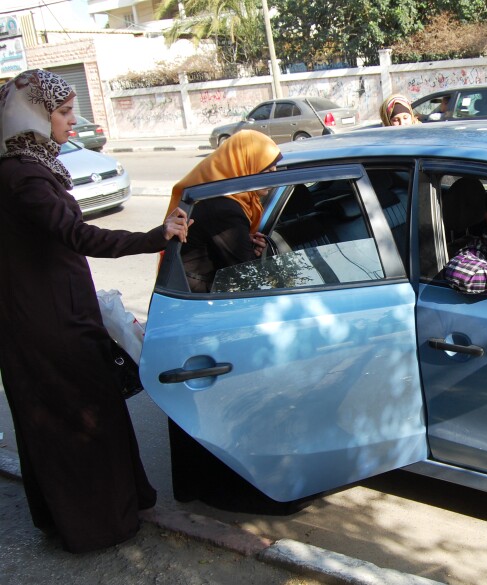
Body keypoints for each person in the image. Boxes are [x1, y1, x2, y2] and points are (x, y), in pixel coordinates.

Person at [0, 69, 191, 553]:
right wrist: (155, 237)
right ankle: (97, 525)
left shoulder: (23, 166)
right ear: (34, 116)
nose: (72, 123)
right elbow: (78, 236)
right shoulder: (23, 174)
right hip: (50, 324)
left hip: (39, 314)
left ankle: (82, 516)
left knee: (65, 418)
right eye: (62, 113)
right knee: (81, 420)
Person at [164, 129, 281, 293]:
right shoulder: (224, 208)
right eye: (268, 170)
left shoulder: (229, 197)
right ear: (245, 165)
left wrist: (246, 245)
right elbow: (248, 274)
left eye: (275, 169)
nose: (274, 177)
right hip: (196, 297)